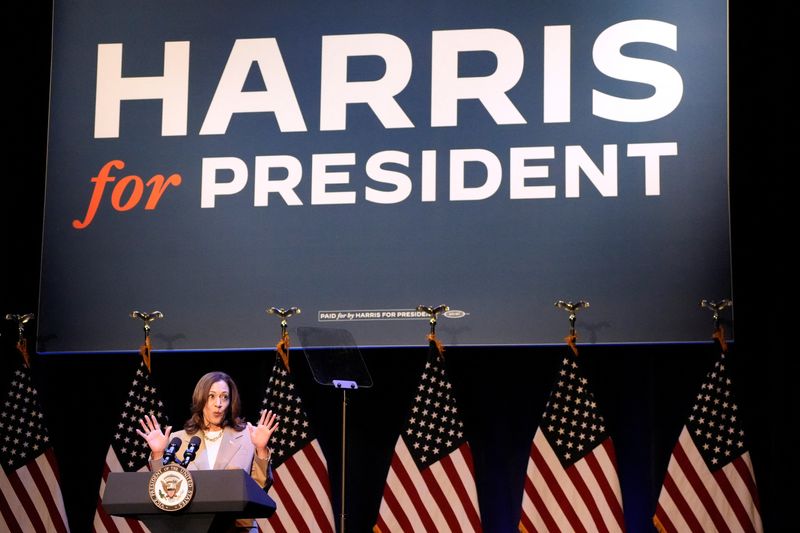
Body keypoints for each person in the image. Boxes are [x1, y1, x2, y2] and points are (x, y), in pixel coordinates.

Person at [137, 370, 278, 531]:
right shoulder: (177, 440)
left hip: (238, 528)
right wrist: (157, 454)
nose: (218, 403)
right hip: (192, 526)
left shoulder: (248, 436)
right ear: (201, 399)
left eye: (224, 397)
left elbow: (259, 488)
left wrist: (260, 449)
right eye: (212, 396)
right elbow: (165, 489)